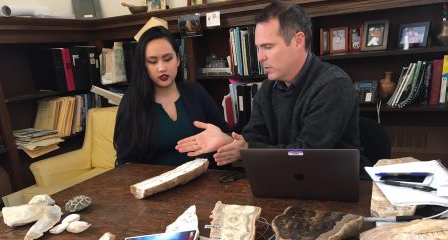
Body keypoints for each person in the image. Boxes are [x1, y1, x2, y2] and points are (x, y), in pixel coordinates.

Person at [176, 0, 363, 168]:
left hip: (332, 187)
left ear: (298, 41)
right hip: (283, 181)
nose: (259, 57)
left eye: (268, 47)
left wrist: (247, 149)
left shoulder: (333, 85)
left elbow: (305, 154)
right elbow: (253, 138)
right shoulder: (268, 88)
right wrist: (230, 142)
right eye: (258, 48)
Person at [114, 25, 229, 166]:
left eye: (168, 59)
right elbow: (125, 163)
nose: (161, 68)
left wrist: (224, 139)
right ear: (143, 66)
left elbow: (225, 135)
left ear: (178, 60)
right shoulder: (132, 103)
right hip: (155, 184)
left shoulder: (195, 92)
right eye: (152, 61)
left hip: (206, 179)